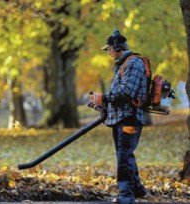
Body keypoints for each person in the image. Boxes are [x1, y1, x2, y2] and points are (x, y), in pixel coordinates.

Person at [89, 30, 148, 204]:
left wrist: (104, 97)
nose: (108, 52)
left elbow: (127, 92)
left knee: (124, 157)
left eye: (109, 49)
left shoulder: (134, 63)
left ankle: (126, 197)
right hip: (121, 118)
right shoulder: (123, 65)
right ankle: (138, 190)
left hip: (130, 118)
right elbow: (119, 94)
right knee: (125, 155)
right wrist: (102, 103)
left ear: (117, 46)